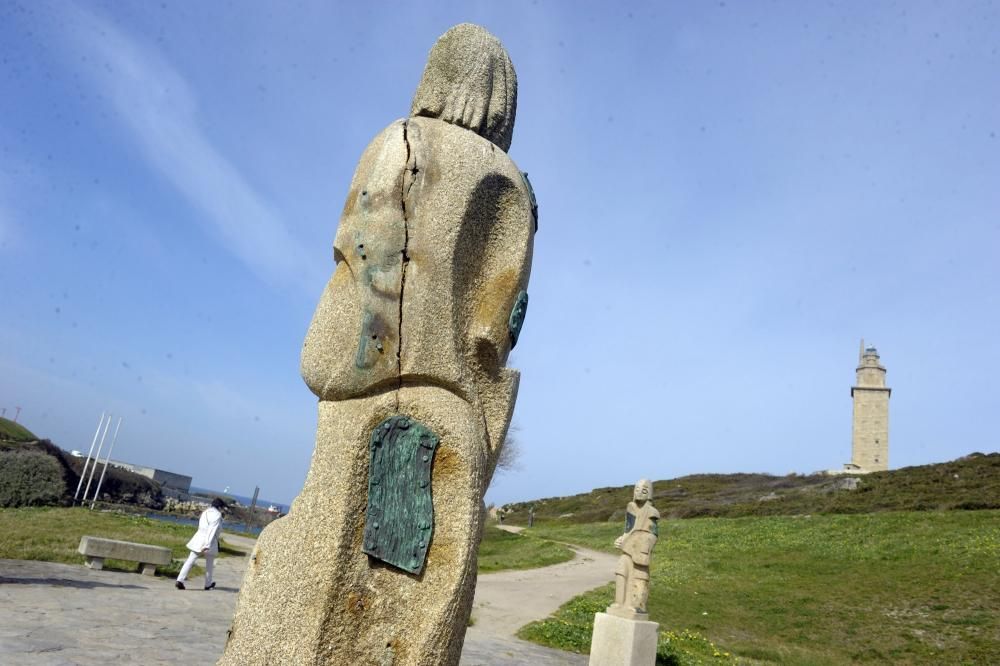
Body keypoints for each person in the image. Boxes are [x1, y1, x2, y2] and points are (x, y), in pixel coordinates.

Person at [175, 497, 225, 590]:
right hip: (210, 541)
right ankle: (207, 584)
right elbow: (212, 530)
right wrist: (207, 545)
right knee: (209, 564)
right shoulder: (217, 515)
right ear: (219, 507)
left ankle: (180, 580)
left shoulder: (205, 512)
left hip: (198, 538)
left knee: (190, 560)